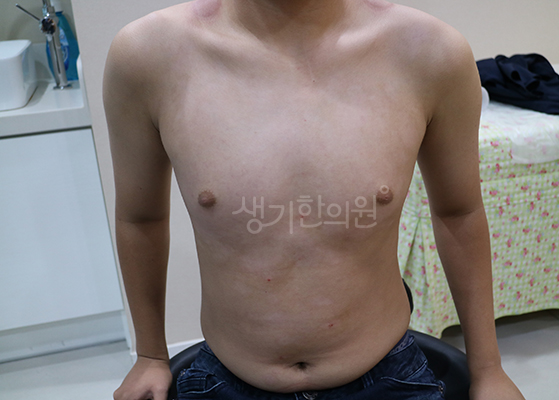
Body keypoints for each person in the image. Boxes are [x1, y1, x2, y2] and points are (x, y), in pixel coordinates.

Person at [105, 0, 526, 399]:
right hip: (227, 378)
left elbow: (459, 213)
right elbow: (140, 218)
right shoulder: (148, 56)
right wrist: (150, 355)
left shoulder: (431, 53)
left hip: (388, 374)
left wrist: (488, 369)